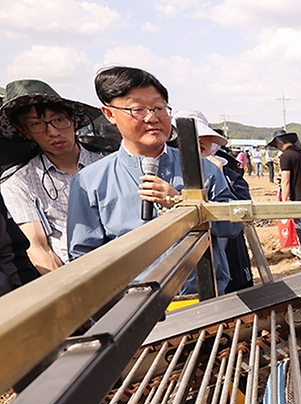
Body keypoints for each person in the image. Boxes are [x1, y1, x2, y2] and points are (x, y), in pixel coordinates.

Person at [67, 66, 240, 296]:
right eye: (137, 109)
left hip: (202, 299)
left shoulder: (203, 169)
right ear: (109, 114)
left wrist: (182, 201)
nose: (153, 118)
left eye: (159, 108)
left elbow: (233, 226)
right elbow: (84, 256)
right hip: (131, 310)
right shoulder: (91, 181)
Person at [0, 79, 103, 273]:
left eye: (58, 120)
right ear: (24, 131)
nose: (53, 132)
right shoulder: (18, 183)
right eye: (36, 124)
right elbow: (39, 249)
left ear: (74, 120)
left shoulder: (107, 165)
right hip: (75, 276)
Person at [174, 110, 254, 293]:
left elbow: (242, 214)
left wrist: (221, 178)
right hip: (190, 272)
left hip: (230, 254)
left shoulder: (229, 173)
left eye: (205, 137)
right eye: (193, 138)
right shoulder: (166, 177)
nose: (199, 142)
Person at [270, 129, 301, 265]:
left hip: (298, 197)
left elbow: (286, 180)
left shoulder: (285, 156)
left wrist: (284, 200)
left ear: (279, 142)